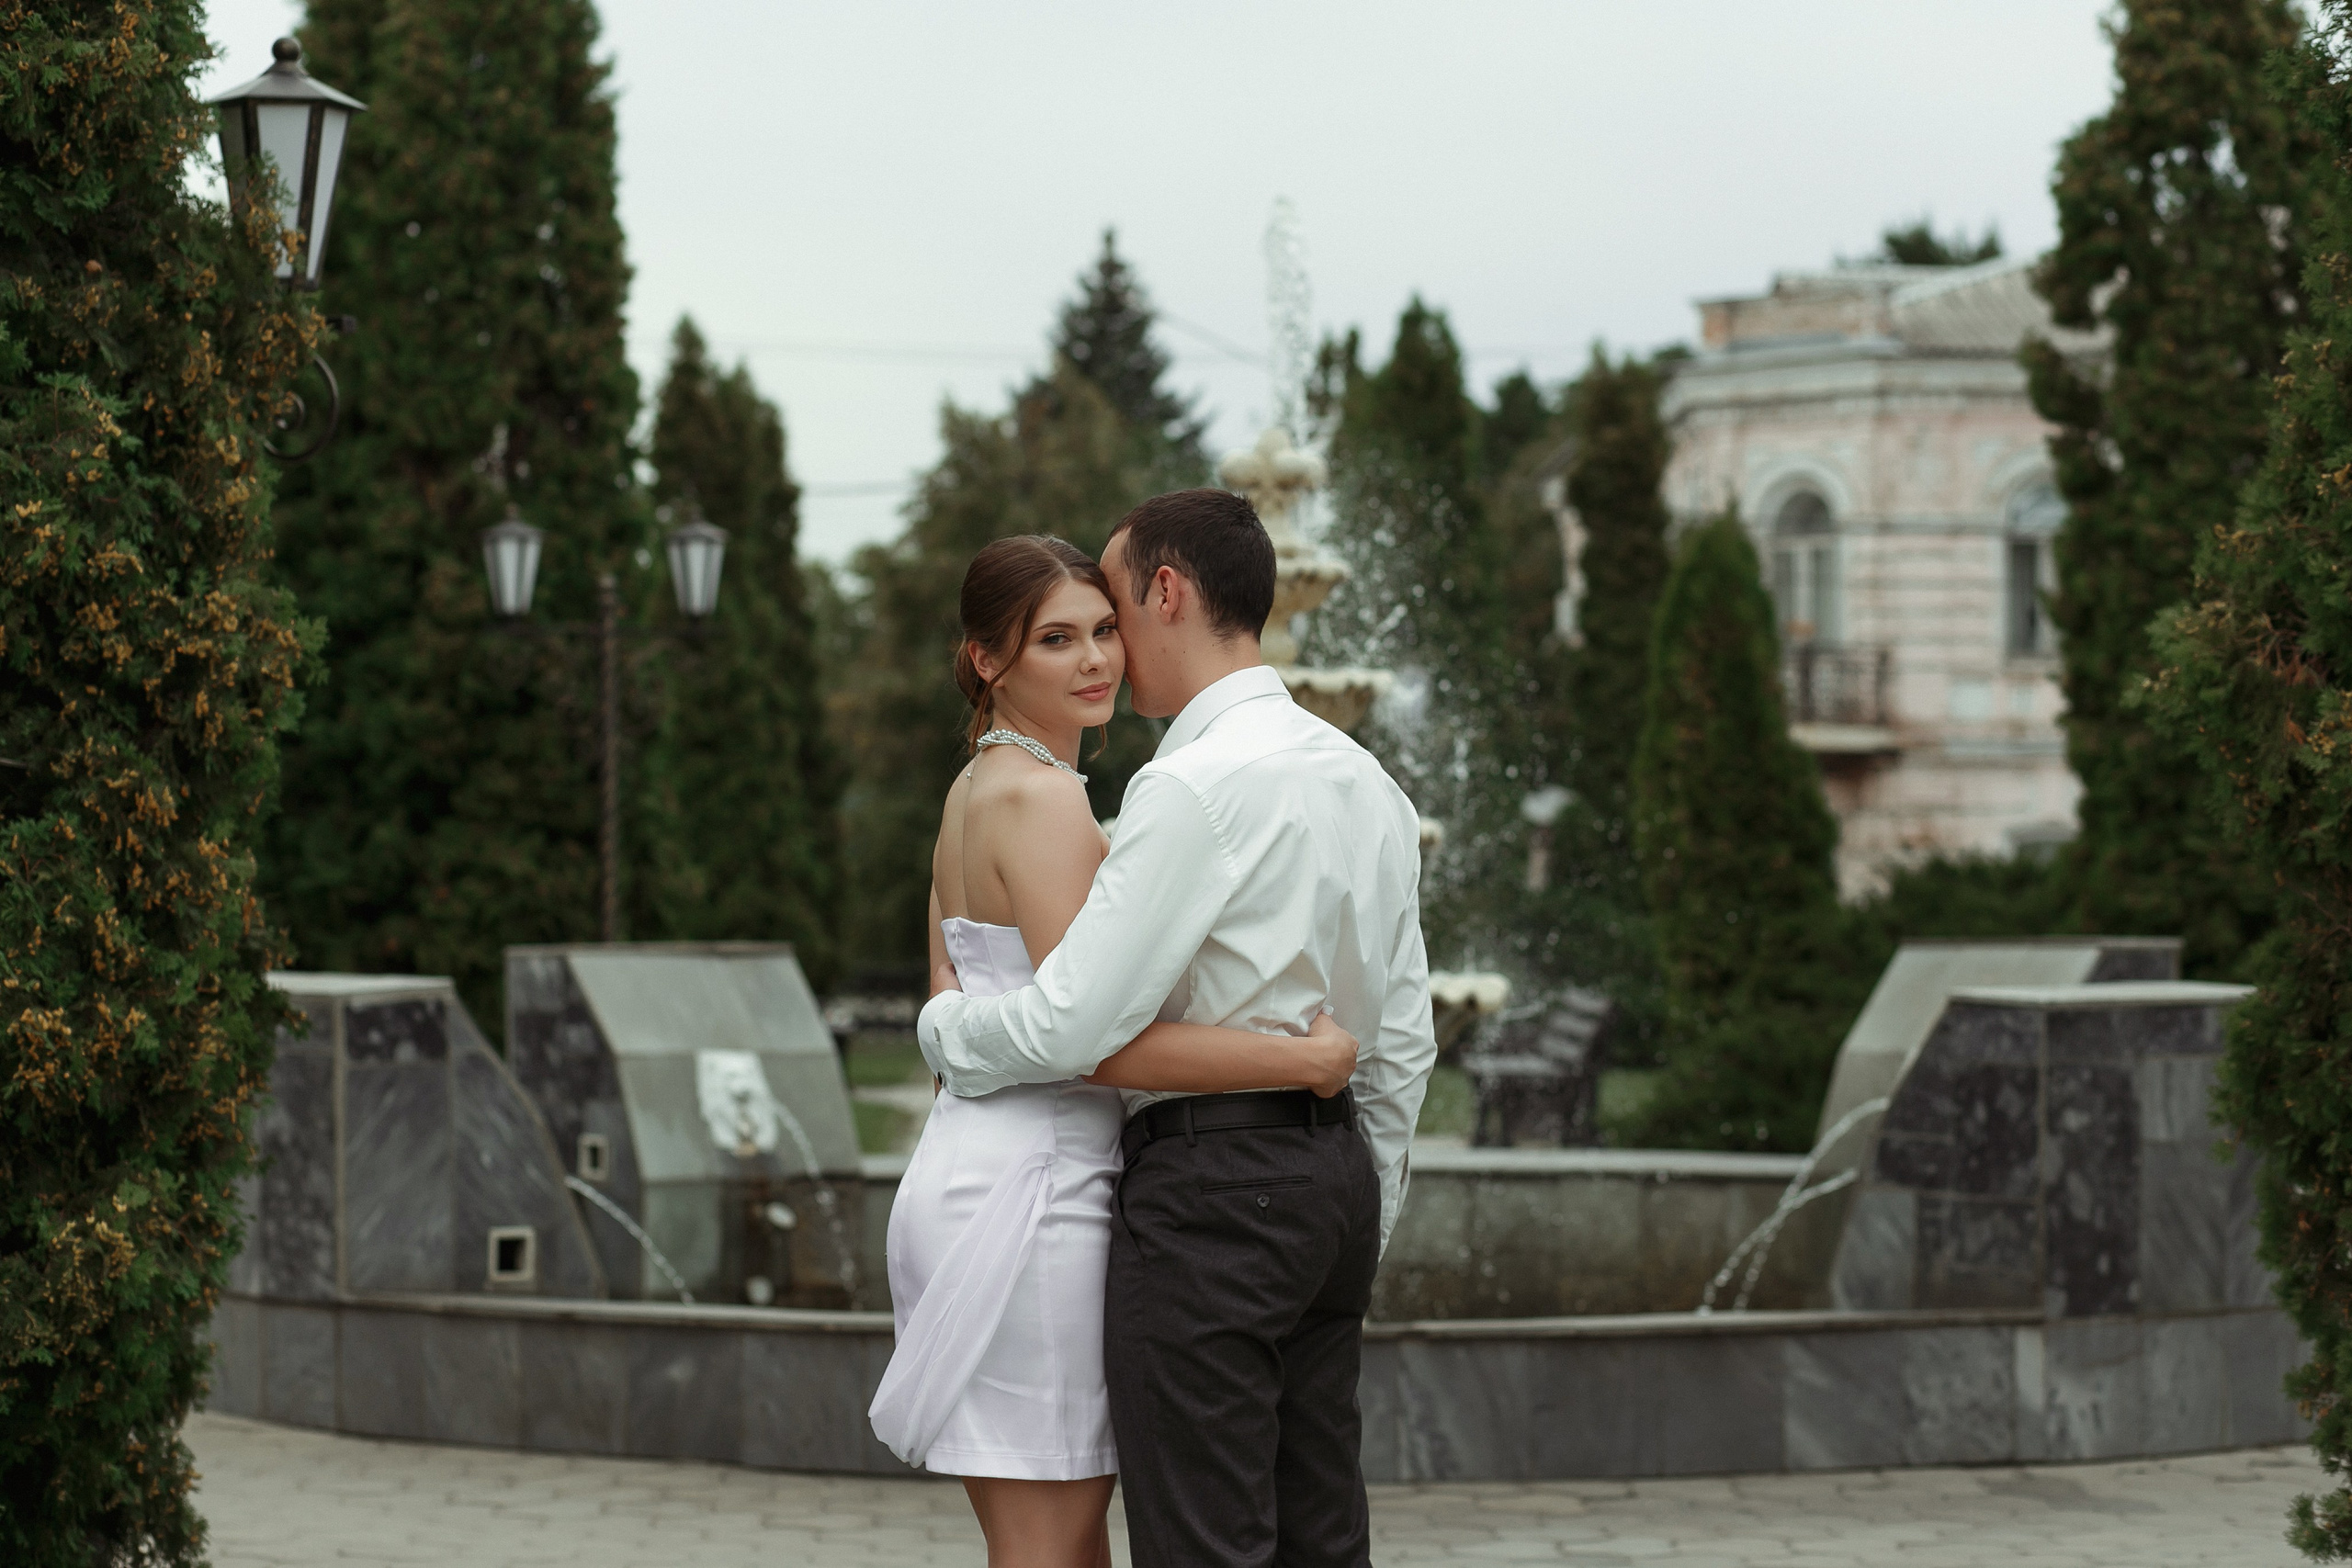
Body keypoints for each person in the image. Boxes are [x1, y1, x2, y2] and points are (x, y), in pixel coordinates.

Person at [920, 491, 1438, 1568]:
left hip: (1212, 1191)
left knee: (1206, 1541)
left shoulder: (1187, 786)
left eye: (1108, 612)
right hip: (1330, 1184)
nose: (1102, 648)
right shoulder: (1369, 782)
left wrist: (948, 1034)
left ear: (1165, 592)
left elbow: (1071, 1023)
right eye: (1066, 632)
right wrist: (1356, 1207)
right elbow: (1401, 1039)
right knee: (1324, 1537)